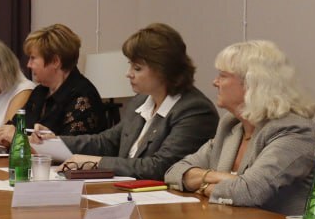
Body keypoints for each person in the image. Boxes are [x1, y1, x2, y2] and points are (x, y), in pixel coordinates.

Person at [164, 40, 315, 214]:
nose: (215, 82)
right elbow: (174, 172)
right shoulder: (232, 126)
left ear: (252, 84)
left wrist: (201, 184)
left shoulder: (295, 132)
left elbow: (248, 192)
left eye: (223, 76)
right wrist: (214, 177)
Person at [54, 23, 220, 179]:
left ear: (164, 69)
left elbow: (160, 167)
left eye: (137, 68)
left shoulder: (195, 110)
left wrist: (95, 163)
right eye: (130, 65)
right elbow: (106, 142)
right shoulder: (141, 101)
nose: (129, 74)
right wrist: (51, 141)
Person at [0, 24, 106, 145]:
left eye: (33, 58)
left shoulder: (83, 97)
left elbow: (69, 148)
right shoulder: (39, 92)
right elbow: (6, 133)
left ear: (55, 61)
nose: (28, 65)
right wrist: (14, 137)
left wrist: (19, 139)